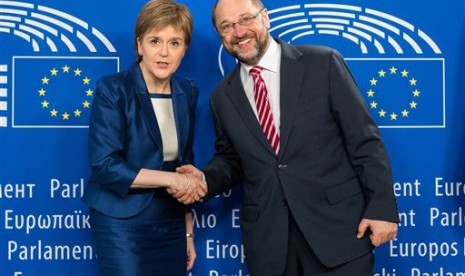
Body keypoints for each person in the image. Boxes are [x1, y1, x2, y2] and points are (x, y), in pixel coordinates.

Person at [172, 0, 399, 275]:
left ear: (265, 18)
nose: (239, 32)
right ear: (220, 35)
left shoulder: (322, 62)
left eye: (245, 19)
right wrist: (204, 180)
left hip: (338, 234)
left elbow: (364, 140)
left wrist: (383, 208)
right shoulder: (222, 96)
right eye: (227, 26)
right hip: (271, 247)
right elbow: (232, 160)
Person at [82, 0, 206, 275]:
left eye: (175, 43)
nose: (164, 53)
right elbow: (106, 166)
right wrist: (172, 179)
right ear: (139, 45)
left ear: (184, 49)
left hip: (170, 222)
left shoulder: (187, 90)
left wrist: (188, 232)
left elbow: (183, 162)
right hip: (120, 221)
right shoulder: (113, 89)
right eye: (154, 41)